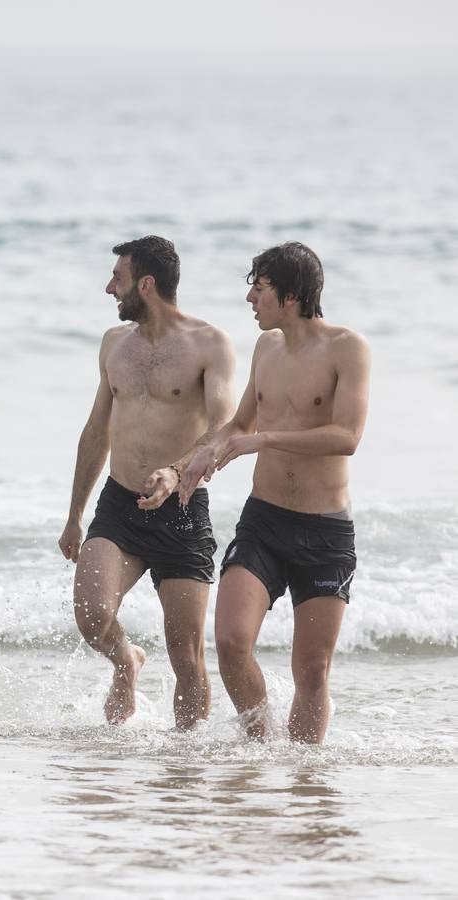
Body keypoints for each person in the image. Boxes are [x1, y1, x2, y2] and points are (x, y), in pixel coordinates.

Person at [179, 242, 369, 743]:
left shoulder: (347, 348)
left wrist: (262, 440)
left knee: (311, 670)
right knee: (230, 642)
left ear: (290, 296)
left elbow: (347, 436)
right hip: (263, 520)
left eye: (258, 288)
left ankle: (304, 780)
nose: (249, 299)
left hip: (324, 530)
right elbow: (239, 422)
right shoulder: (266, 349)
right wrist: (196, 459)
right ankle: (262, 747)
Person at [59, 236, 235, 728]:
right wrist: (75, 513)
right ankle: (126, 660)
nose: (109, 288)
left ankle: (185, 762)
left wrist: (177, 470)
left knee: (185, 654)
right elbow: (97, 430)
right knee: (91, 616)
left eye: (118, 278)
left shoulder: (209, 343)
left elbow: (224, 424)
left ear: (147, 283)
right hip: (119, 504)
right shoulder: (114, 344)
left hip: (182, 507)